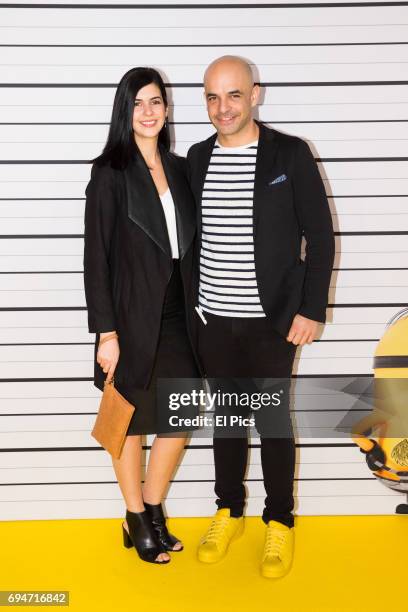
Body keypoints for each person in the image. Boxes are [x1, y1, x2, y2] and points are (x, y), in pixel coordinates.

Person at [186, 56, 335, 578]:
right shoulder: (197, 157)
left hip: (273, 323)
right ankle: (228, 510)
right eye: (211, 96)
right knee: (227, 421)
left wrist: (311, 310)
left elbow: (319, 237)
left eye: (232, 95)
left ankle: (280, 521)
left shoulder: (289, 155)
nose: (222, 108)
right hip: (212, 321)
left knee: (270, 421)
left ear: (255, 94)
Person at [83, 66, 200, 565]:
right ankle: (135, 516)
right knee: (129, 418)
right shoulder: (109, 172)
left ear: (167, 108)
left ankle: (152, 507)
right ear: (124, 111)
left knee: (183, 409)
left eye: (155, 101)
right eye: (138, 103)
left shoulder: (181, 169)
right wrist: (106, 333)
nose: (148, 112)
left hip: (179, 307)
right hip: (128, 312)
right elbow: (96, 256)